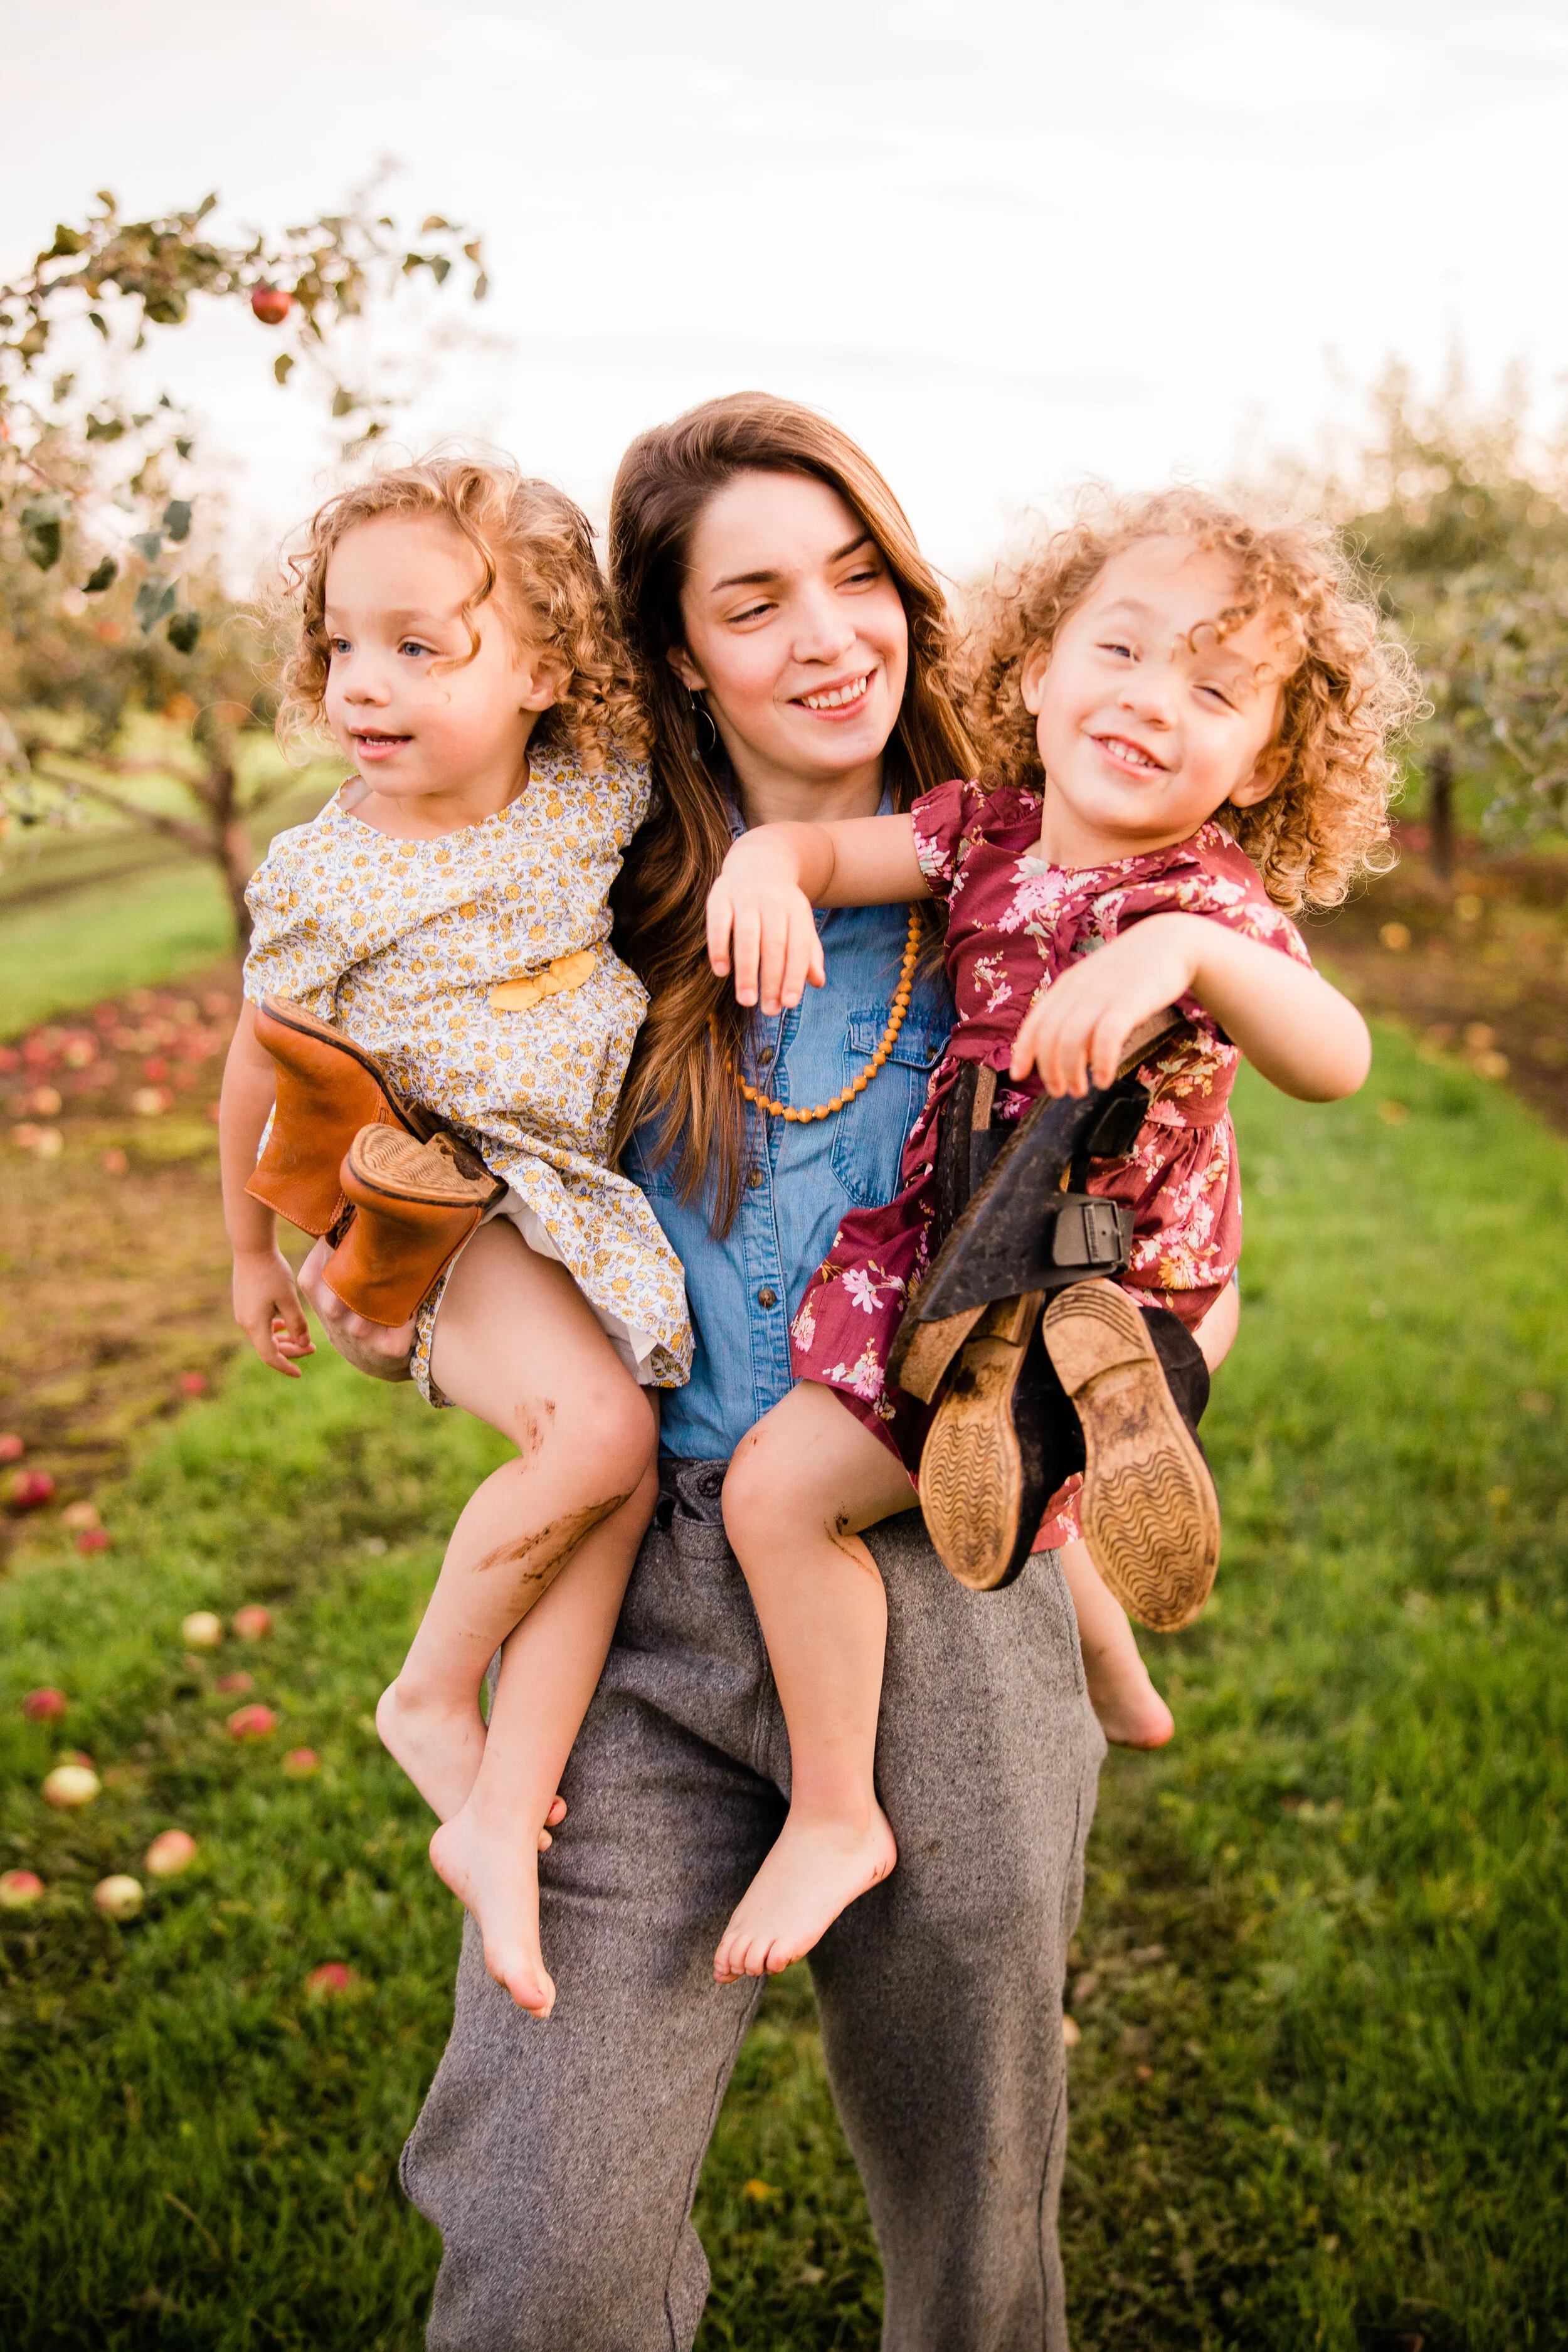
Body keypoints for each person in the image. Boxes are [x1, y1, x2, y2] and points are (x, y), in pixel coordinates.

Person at [305, 395, 1108, 2352]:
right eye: (753, 600)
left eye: (858, 577)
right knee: (542, 2244)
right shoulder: (585, 892)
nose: (828, 634)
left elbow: (1170, 1252)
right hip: (641, 1616)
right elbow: (425, 1180)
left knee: (976, 2232)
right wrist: (392, 1284)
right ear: (673, 647)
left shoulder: (1027, 882)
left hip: (935, 1590)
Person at [705, 489, 1416, 1983]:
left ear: (1266, 757)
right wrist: (764, 864)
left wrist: (1186, 954)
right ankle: (1101, 1604)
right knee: (1009, 1449)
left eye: (1213, 691)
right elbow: (835, 858)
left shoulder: (1208, 899)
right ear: (1032, 669)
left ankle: (839, 1812)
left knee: (778, 1493)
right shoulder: (988, 842)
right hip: (980, 1241)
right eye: (1121, 651)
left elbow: (1335, 1056)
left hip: (1113, 1261)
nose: (1152, 701)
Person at [218, 457, 691, 2021]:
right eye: (344, 644)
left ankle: (503, 1809)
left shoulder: (592, 791)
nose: (365, 684)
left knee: (607, 1485)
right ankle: (428, 1696)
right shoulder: (327, 868)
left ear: (544, 673)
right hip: (442, 1196)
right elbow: (258, 1062)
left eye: (421, 647)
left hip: (570, 1200)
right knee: (598, 1431)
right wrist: (246, 1256)